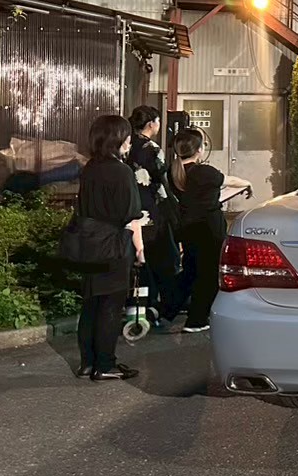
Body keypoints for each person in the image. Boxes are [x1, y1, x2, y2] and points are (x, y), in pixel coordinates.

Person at [72, 114, 147, 380]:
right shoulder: (122, 172)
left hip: (89, 244)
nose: (129, 141)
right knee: (111, 305)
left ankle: (87, 363)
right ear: (118, 140)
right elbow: (131, 217)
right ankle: (105, 365)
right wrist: (140, 250)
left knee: (91, 304)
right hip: (114, 245)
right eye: (127, 137)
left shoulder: (90, 168)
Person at [171, 128, 227, 334]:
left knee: (191, 270)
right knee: (208, 274)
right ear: (199, 149)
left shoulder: (174, 172)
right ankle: (197, 319)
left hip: (187, 227)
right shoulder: (204, 172)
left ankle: (165, 309)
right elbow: (228, 180)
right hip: (208, 229)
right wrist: (247, 184)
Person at [127, 105, 179, 327]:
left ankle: (139, 303)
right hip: (152, 209)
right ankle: (159, 306)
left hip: (132, 207)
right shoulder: (152, 148)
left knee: (140, 259)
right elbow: (161, 177)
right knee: (162, 258)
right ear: (151, 124)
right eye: (157, 121)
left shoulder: (127, 145)